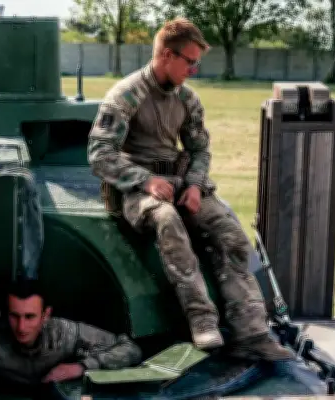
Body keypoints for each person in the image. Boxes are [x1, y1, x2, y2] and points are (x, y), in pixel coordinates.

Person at [87, 17, 294, 361]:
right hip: (136, 190)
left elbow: (200, 150)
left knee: (231, 234)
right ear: (167, 55)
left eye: (198, 62)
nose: (195, 70)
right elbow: (99, 153)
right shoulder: (126, 95)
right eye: (190, 61)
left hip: (181, 183)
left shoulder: (188, 99)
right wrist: (144, 180)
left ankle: (252, 333)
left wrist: (196, 186)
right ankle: (202, 319)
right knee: (167, 220)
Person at [0, 279, 143, 400]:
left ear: (45, 316)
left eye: (30, 317)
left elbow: (129, 349)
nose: (22, 327)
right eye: (15, 316)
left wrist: (80, 367)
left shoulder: (66, 333)